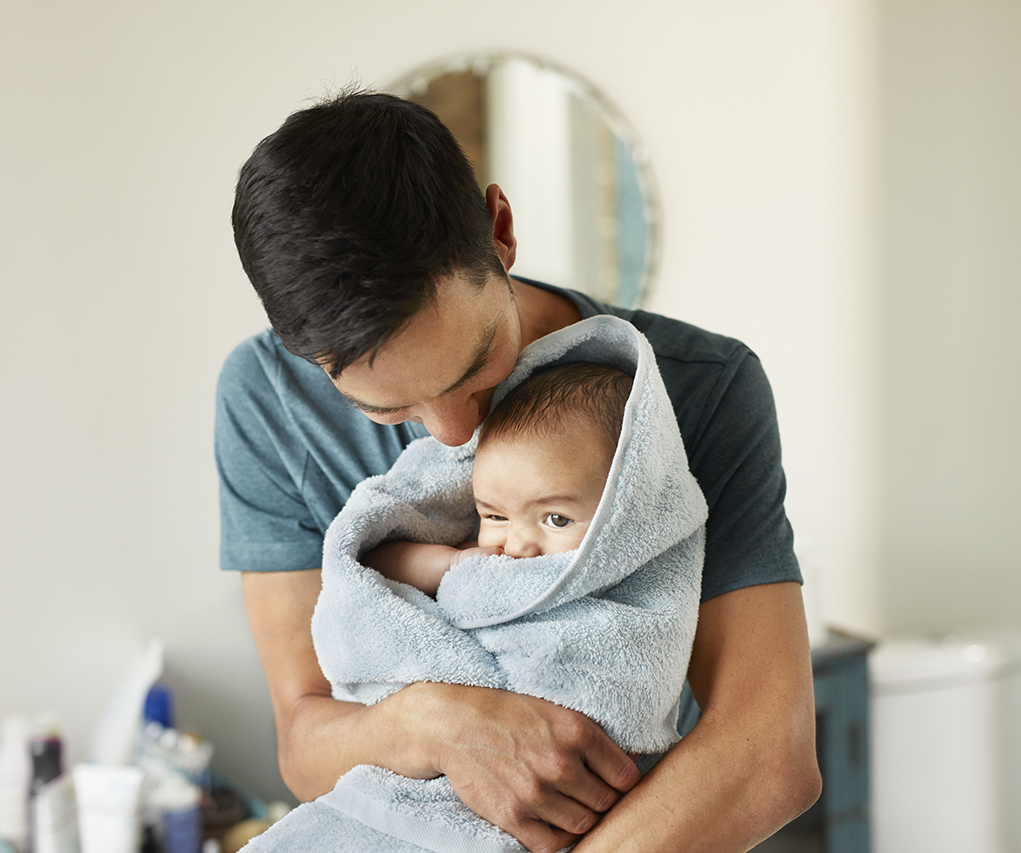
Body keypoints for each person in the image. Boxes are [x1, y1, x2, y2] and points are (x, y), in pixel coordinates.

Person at [218, 90, 820, 853]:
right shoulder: (269, 402)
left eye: (477, 364)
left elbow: (768, 756)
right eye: (389, 409)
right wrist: (438, 722)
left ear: (500, 232)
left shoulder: (698, 385)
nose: (457, 430)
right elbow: (305, 742)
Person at [370, 361, 633, 597]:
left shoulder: (634, 586)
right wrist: (450, 564)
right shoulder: (479, 558)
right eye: (496, 517)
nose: (517, 546)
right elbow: (375, 568)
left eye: (557, 519)